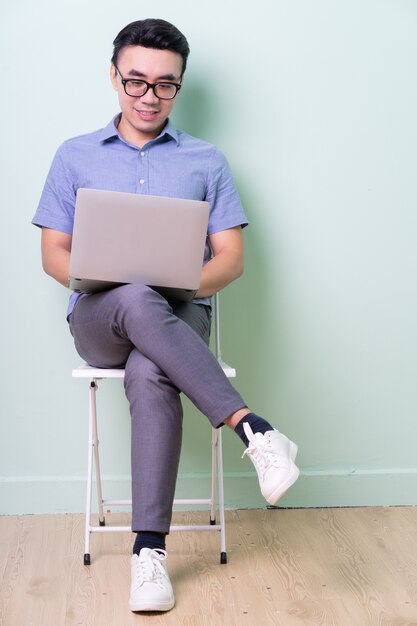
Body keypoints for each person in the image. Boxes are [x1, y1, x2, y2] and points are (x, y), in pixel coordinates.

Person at [32, 18, 299, 613]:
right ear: (114, 77)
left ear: (179, 85)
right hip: (99, 320)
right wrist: (120, 282)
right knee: (130, 294)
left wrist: (174, 282)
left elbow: (230, 260)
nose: (148, 96)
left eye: (164, 85)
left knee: (152, 370)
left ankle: (148, 552)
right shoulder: (73, 155)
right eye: (135, 82)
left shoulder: (207, 161)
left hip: (180, 320)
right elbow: (54, 253)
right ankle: (252, 428)